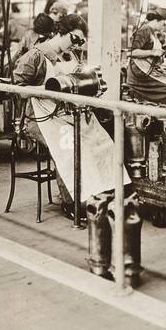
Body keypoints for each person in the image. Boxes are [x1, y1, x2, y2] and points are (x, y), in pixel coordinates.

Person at [12, 14, 126, 215]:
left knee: (101, 141)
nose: (76, 45)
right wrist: (45, 90)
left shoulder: (70, 55)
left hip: (66, 113)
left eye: (80, 41)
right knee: (70, 147)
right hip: (39, 118)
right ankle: (72, 202)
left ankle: (102, 193)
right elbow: (18, 89)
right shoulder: (35, 56)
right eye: (74, 39)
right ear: (59, 32)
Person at [124, 6, 166, 106]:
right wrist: (152, 52)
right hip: (139, 75)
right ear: (157, 20)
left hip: (146, 72)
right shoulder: (144, 30)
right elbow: (130, 52)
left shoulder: (152, 32)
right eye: (164, 24)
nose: (165, 27)